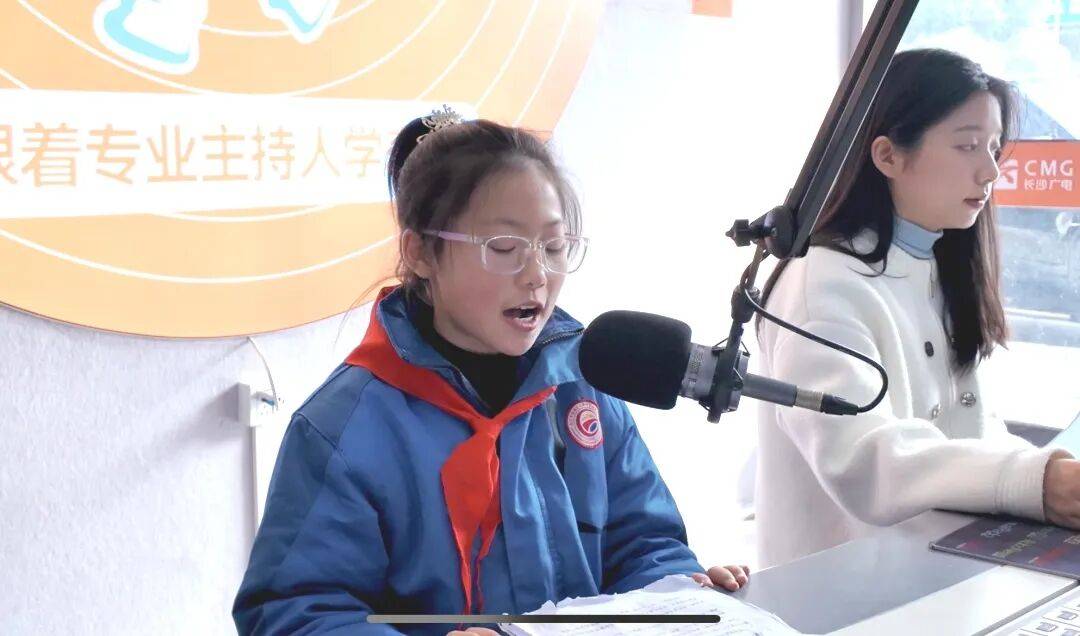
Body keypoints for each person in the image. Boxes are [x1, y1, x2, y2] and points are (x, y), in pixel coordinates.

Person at [234, 109, 749, 634]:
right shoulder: (342, 428)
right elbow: (291, 614)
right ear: (420, 252)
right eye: (504, 249)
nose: (537, 275)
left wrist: (677, 591)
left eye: (554, 247)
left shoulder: (584, 385)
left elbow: (644, 543)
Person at [754, 48, 1080, 568]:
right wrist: (1035, 483)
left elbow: (973, 431)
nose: (990, 170)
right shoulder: (822, 282)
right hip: (844, 592)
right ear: (888, 156)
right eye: (967, 146)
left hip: (938, 573)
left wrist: (1047, 475)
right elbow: (864, 459)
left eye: (994, 147)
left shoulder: (938, 264)